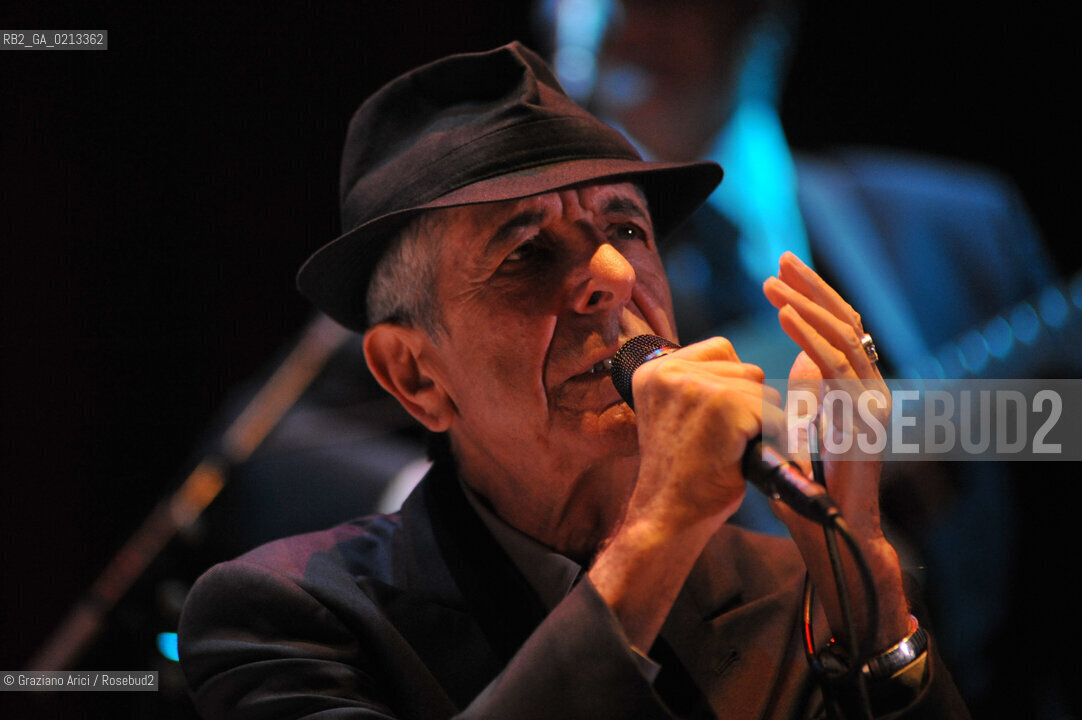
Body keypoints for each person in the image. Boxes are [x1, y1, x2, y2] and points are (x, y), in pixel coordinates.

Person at [178, 42, 970, 719]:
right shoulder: (287, 616)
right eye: (525, 251)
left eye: (625, 227)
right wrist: (656, 537)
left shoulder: (799, 584)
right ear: (415, 375)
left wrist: (872, 602)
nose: (613, 275)